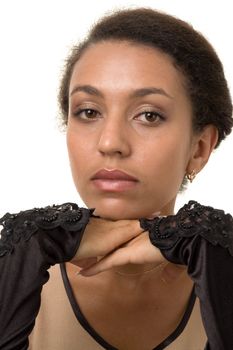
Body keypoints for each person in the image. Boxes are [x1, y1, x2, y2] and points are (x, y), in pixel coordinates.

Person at [0, 7, 233, 350]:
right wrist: (21, 256)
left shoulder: (224, 270)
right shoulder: (14, 274)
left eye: (149, 115)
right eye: (89, 112)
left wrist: (221, 267)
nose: (110, 143)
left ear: (199, 148)